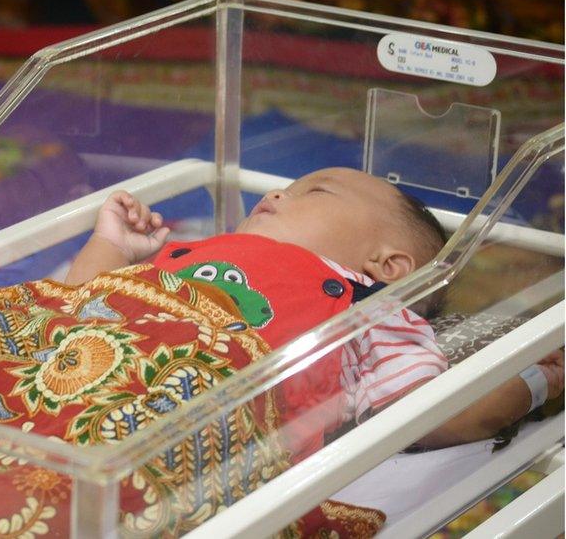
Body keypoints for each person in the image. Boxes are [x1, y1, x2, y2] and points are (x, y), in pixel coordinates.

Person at [64, 167, 564, 455]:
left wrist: (537, 381)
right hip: (76, 377)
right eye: (283, 188)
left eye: (316, 190)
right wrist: (113, 245)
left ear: (386, 265)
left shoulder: (372, 312)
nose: (275, 192)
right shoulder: (188, 254)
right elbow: (78, 306)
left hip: (176, 426)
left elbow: (432, 415)